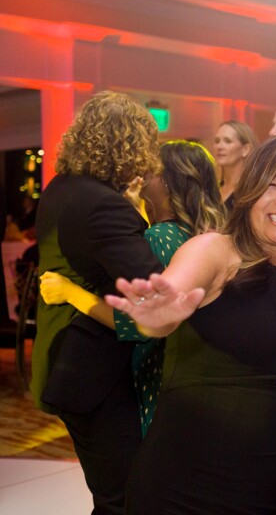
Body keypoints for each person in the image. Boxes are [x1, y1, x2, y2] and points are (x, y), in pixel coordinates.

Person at [105, 132, 276, 514]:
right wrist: (159, 316)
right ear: (249, 193)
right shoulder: (215, 251)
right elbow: (174, 293)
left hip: (270, 497)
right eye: (270, 185)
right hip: (180, 491)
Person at [40, 140, 227, 437]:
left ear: (166, 182)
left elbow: (134, 320)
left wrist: (69, 292)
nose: (141, 178)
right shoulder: (208, 237)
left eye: (149, 172)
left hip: (157, 376)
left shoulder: (159, 238)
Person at [34, 91, 164, 514]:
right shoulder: (105, 205)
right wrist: (146, 217)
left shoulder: (61, 187)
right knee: (123, 497)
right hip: (94, 367)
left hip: (64, 351)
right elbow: (151, 286)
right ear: (131, 144)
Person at [213, 120, 259, 209]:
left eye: (227, 141)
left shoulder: (251, 191)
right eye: (217, 141)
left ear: (245, 149)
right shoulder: (212, 189)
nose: (220, 146)